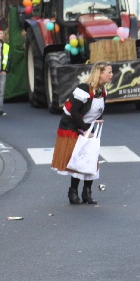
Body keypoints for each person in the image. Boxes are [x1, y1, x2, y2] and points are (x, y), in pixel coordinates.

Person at [51, 62, 111, 206]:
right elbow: (74, 111)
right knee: (79, 159)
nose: (111, 74)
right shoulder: (84, 89)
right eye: (109, 72)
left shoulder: (103, 91)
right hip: (72, 125)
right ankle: (73, 193)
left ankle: (87, 193)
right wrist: (83, 130)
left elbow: (97, 110)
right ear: (100, 74)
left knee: (91, 158)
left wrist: (97, 121)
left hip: (88, 126)